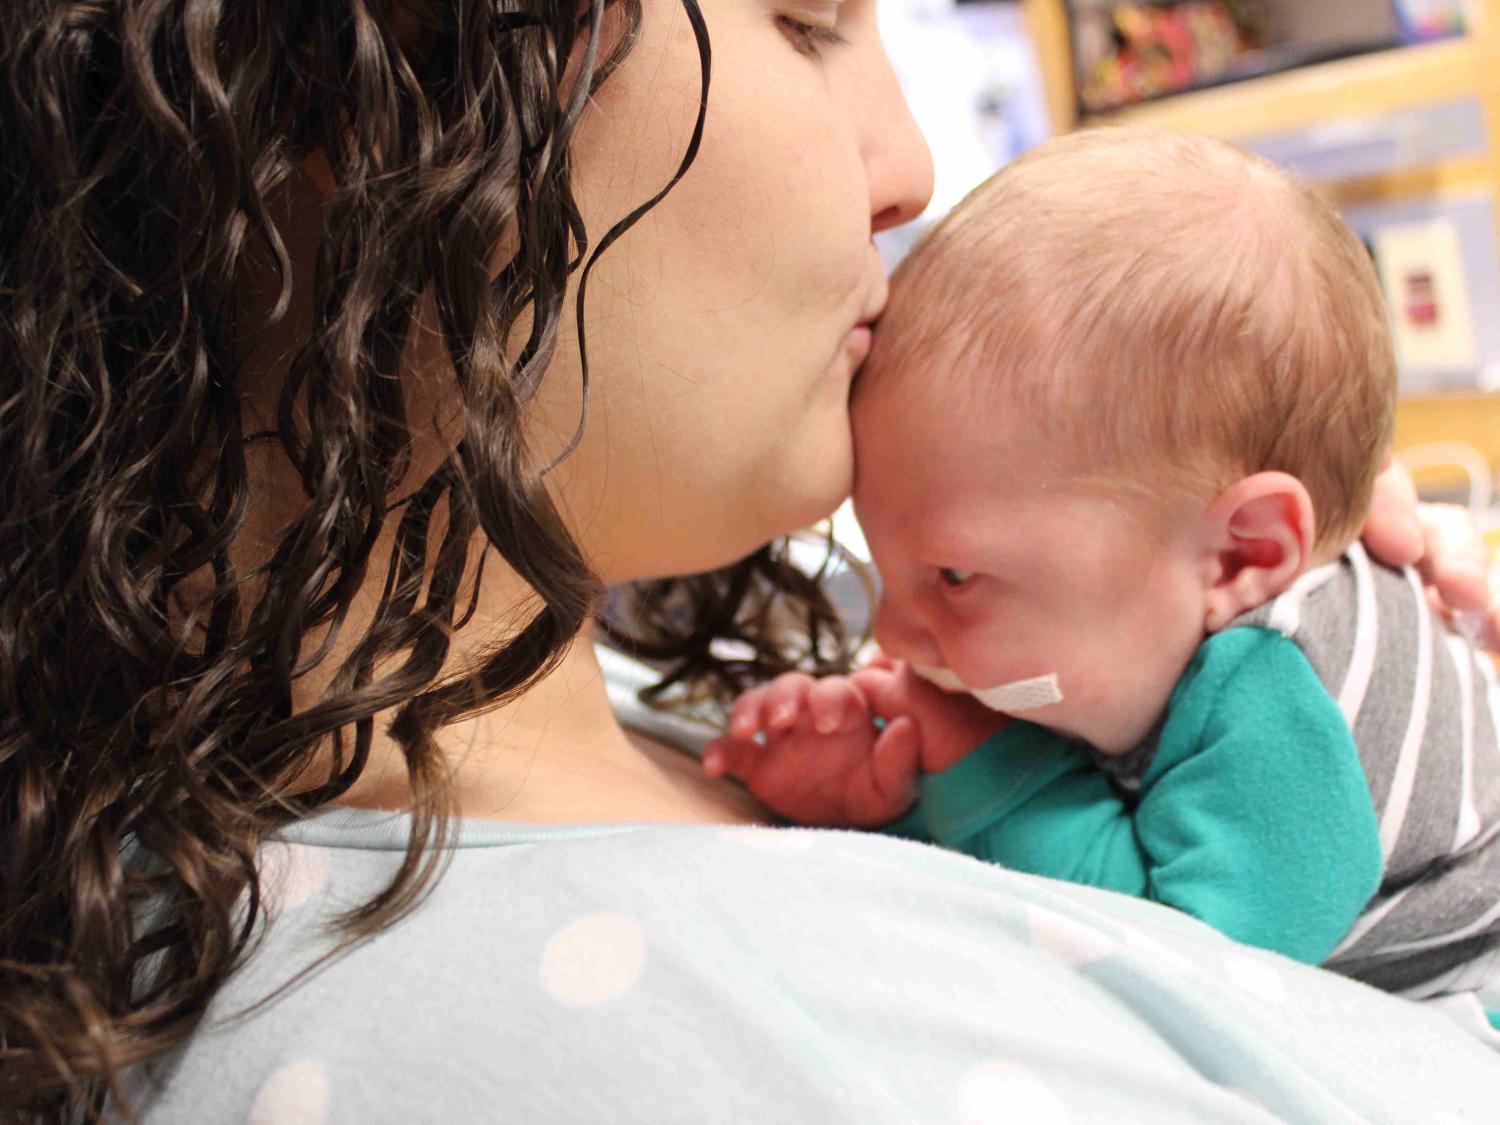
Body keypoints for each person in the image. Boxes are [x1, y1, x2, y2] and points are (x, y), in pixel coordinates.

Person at [3, 2, 1499, 1122]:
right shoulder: (652, 1043)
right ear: (377, 77)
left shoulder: (625, 712)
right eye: (804, 24)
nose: (911, 168)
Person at [702, 129, 1500, 1033]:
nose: (890, 634)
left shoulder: (1282, 697)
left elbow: (1168, 954)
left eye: (955, 576)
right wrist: (889, 803)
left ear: (1241, 554)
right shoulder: (1156, 610)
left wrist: (973, 754)